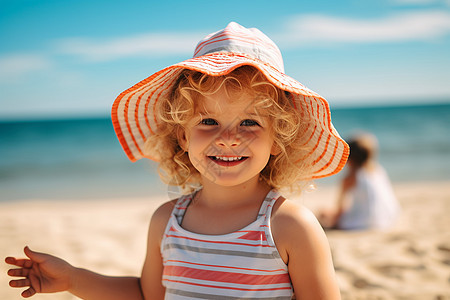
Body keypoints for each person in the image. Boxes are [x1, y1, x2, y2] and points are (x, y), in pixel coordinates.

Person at [5, 22, 349, 299]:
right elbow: (146, 294)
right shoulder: (167, 221)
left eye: (250, 122)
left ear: (278, 139)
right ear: (182, 136)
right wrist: (73, 278)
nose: (228, 137)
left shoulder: (289, 227)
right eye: (207, 121)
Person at [319, 132, 400, 230]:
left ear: (349, 158)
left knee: (323, 213)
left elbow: (340, 208)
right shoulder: (378, 170)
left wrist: (332, 222)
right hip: (387, 216)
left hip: (365, 222)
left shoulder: (350, 177)